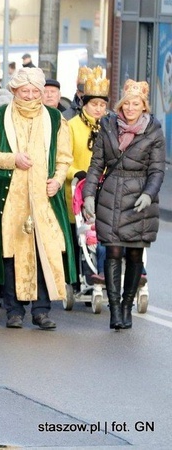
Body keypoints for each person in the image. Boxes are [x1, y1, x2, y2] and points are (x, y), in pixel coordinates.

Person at [0, 67, 76, 330]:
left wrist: (58, 180)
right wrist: (12, 159)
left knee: (43, 252)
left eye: (34, 91)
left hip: (44, 197)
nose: (29, 95)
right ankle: (14, 311)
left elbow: (64, 158)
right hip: (8, 197)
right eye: (24, 90)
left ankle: (41, 310)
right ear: (14, 90)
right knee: (11, 254)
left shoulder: (55, 119)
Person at [82, 79, 165, 330]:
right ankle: (115, 309)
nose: (130, 108)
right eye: (127, 103)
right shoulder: (107, 125)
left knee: (134, 253)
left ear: (144, 106)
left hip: (139, 197)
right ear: (121, 104)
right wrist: (88, 195)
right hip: (111, 196)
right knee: (113, 252)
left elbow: (157, 169)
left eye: (136, 104)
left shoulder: (153, 131)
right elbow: (96, 165)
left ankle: (127, 306)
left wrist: (149, 194)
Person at [64, 67, 108, 286]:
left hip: (105, 188)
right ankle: (78, 277)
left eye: (102, 105)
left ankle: (102, 273)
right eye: (94, 104)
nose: (98, 109)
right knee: (79, 235)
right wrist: (76, 173)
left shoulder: (111, 127)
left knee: (102, 233)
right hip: (77, 188)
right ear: (84, 103)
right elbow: (63, 159)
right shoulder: (71, 126)